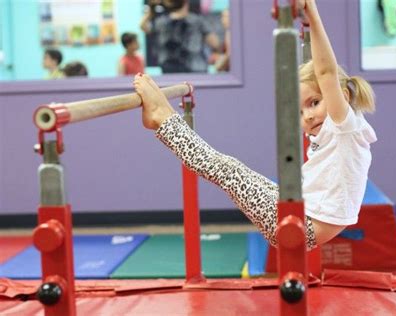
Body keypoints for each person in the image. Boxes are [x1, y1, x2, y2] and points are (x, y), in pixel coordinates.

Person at [133, 0, 377, 249]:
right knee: (232, 166)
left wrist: (312, 13)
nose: (308, 116)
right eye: (300, 111)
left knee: (225, 169)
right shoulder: (335, 131)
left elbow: (326, 73)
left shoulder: (345, 126)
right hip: (302, 215)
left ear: (342, 97)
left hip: (303, 227)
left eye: (314, 102)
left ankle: (162, 119)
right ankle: (163, 117)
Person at [140, 0, 220, 73]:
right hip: (195, 71)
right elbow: (215, 43)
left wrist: (151, 9)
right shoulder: (198, 21)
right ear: (186, 2)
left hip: (171, 72)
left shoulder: (162, 22)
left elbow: (143, 26)